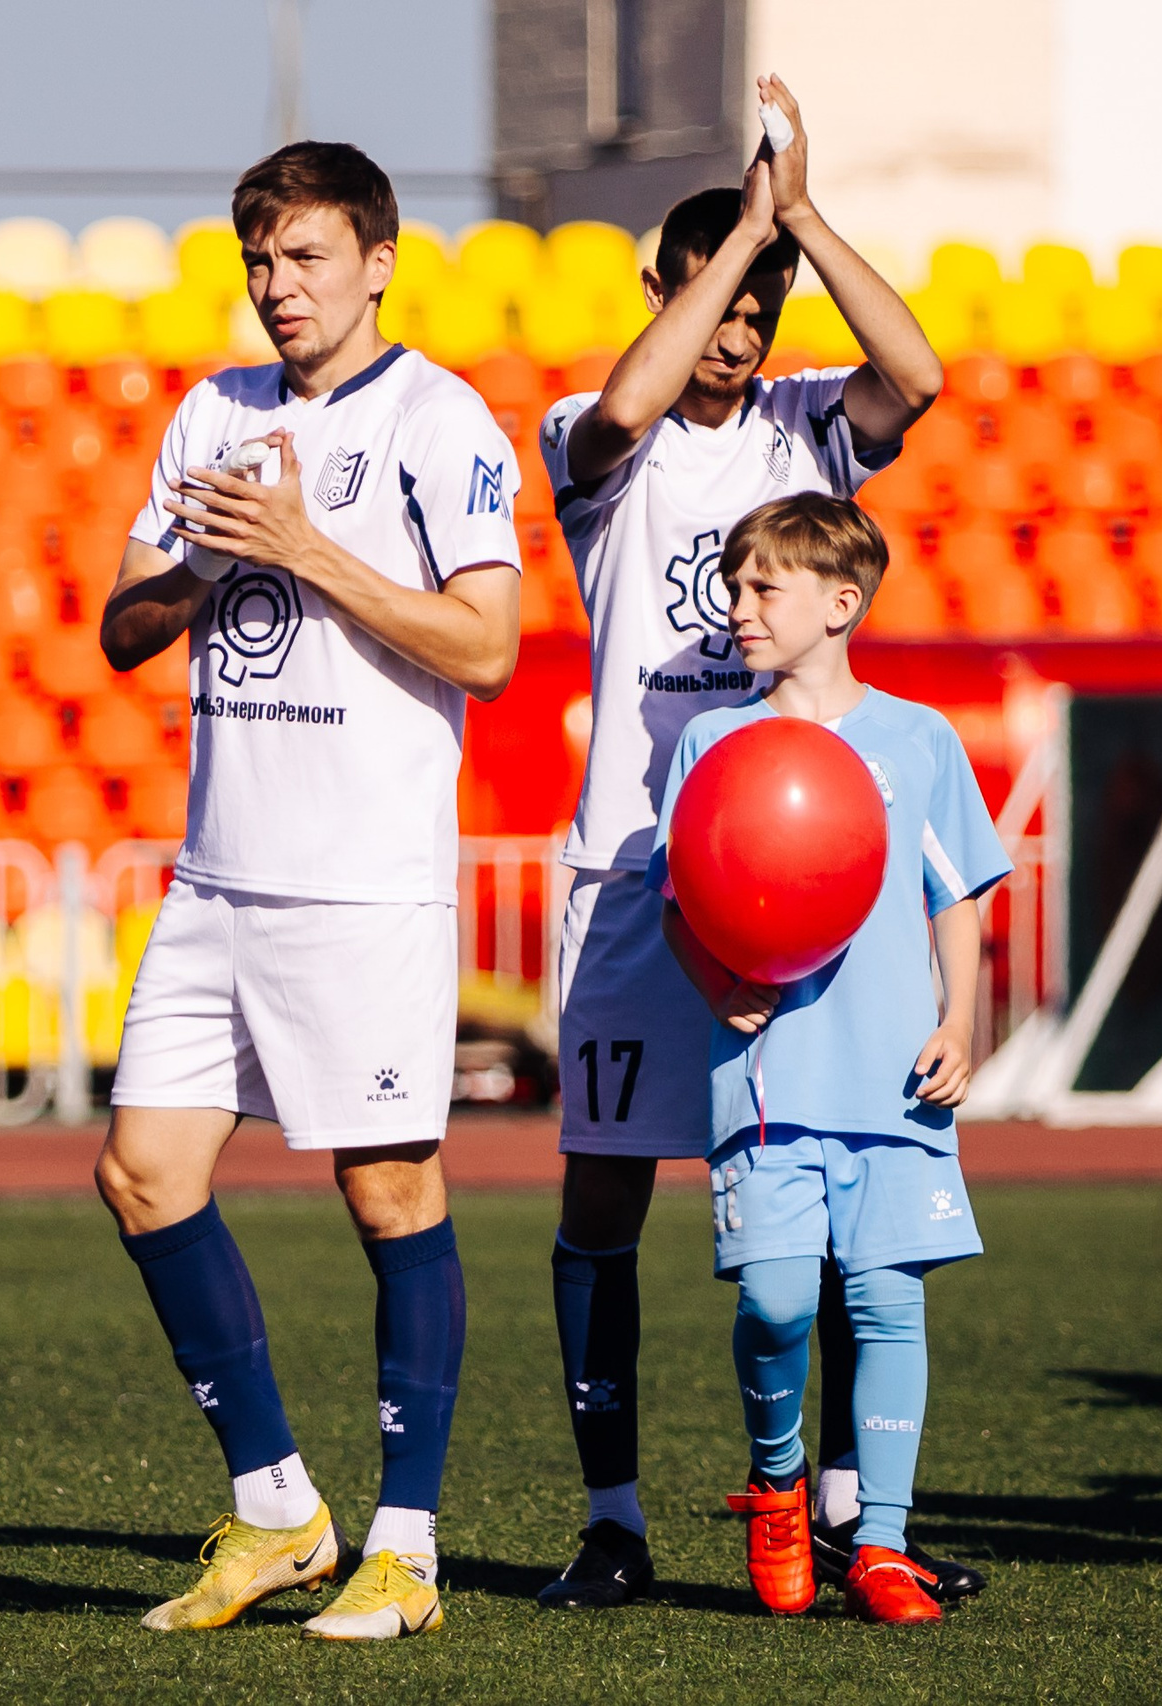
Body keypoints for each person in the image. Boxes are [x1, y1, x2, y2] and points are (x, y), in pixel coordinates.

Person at [530, 76, 981, 1610]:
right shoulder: (596, 433)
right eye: (712, 298)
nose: (737, 331)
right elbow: (628, 410)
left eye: (759, 309)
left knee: (838, 1203)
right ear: (658, 285)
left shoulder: (809, 427)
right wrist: (733, 236)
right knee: (604, 1202)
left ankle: (851, 1516)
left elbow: (917, 373)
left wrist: (800, 218)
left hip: (800, 891)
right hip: (635, 876)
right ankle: (613, 1520)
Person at [94, 140, 522, 1642]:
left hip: (361, 884)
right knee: (143, 1173)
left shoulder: (437, 418)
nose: (280, 287)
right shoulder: (212, 411)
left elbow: (486, 647)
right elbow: (120, 627)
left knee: (387, 1186)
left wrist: (303, 549)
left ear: (379, 263)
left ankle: (406, 1548)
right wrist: (206, 570)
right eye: (260, 262)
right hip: (218, 876)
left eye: (307, 257)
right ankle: (278, 1509)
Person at [651, 494, 1006, 1624]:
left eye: (764, 587)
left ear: (840, 602)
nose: (738, 606)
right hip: (767, 1084)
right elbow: (676, 901)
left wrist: (960, 1022)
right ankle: (777, 1483)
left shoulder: (920, 738)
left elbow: (957, 895)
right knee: (773, 1300)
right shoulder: (712, 742)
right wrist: (717, 987)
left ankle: (884, 1545)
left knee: (890, 1304)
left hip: (895, 1082)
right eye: (734, 585)